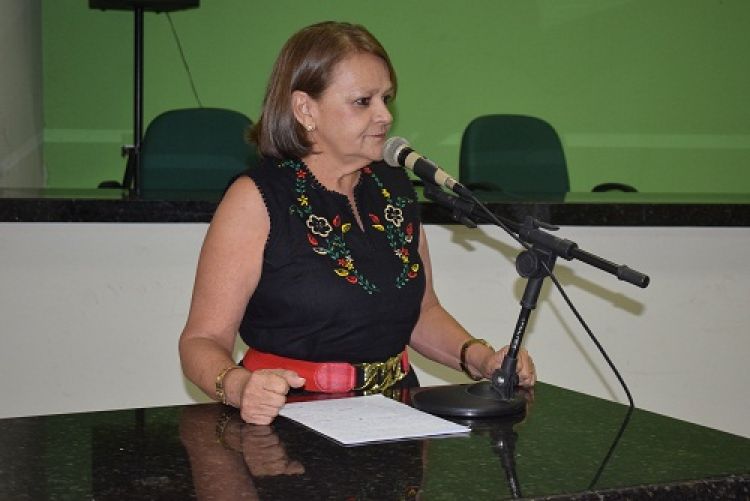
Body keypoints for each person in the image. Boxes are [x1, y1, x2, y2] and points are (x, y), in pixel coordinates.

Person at [178, 21, 535, 425]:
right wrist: (239, 386)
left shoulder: (394, 186)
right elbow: (201, 340)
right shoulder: (256, 198)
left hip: (398, 410)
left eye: (386, 98)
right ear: (305, 109)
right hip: (290, 416)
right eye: (363, 101)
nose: (384, 116)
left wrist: (482, 358)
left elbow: (421, 312)